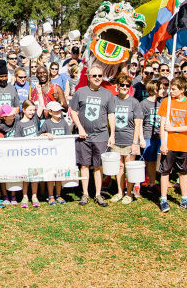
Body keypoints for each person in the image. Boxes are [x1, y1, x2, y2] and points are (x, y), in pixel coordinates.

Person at [68, 65, 115, 207]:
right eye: (94, 76)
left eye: (100, 76)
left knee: (98, 166)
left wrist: (112, 134)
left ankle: (98, 194)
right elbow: (73, 112)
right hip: (84, 136)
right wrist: (80, 128)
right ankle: (85, 194)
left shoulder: (107, 94)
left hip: (101, 136)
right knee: (84, 165)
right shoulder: (80, 92)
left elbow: (111, 115)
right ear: (88, 77)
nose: (97, 78)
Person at [158, 77, 187, 213]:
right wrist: (163, 143)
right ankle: (163, 199)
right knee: (165, 171)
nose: (170, 91)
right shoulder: (166, 102)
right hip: (169, 143)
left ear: (182, 90)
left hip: (183, 144)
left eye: (173, 89)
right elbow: (162, 124)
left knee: (183, 171)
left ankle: (184, 199)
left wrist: (174, 128)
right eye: (170, 88)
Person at [108, 73, 143, 204]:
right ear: (117, 86)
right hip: (117, 139)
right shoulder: (113, 100)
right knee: (119, 167)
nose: (124, 87)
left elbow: (138, 123)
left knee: (130, 167)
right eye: (121, 85)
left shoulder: (134, 102)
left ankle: (129, 193)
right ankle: (119, 192)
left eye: (127, 85)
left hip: (129, 139)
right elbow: (110, 118)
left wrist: (135, 142)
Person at [139, 79, 166, 198]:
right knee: (147, 160)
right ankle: (144, 181)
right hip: (148, 135)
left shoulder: (163, 102)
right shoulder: (144, 104)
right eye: (161, 88)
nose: (163, 90)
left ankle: (152, 182)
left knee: (154, 160)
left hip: (158, 136)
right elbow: (139, 122)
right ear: (155, 90)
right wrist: (141, 138)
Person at [39, 101, 70, 205]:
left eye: (59, 110)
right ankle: (50, 195)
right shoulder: (47, 123)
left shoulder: (64, 122)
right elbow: (39, 136)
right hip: (50, 154)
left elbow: (68, 136)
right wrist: (46, 134)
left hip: (61, 154)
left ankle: (58, 194)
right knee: (51, 175)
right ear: (50, 112)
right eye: (56, 111)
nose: (58, 112)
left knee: (59, 175)